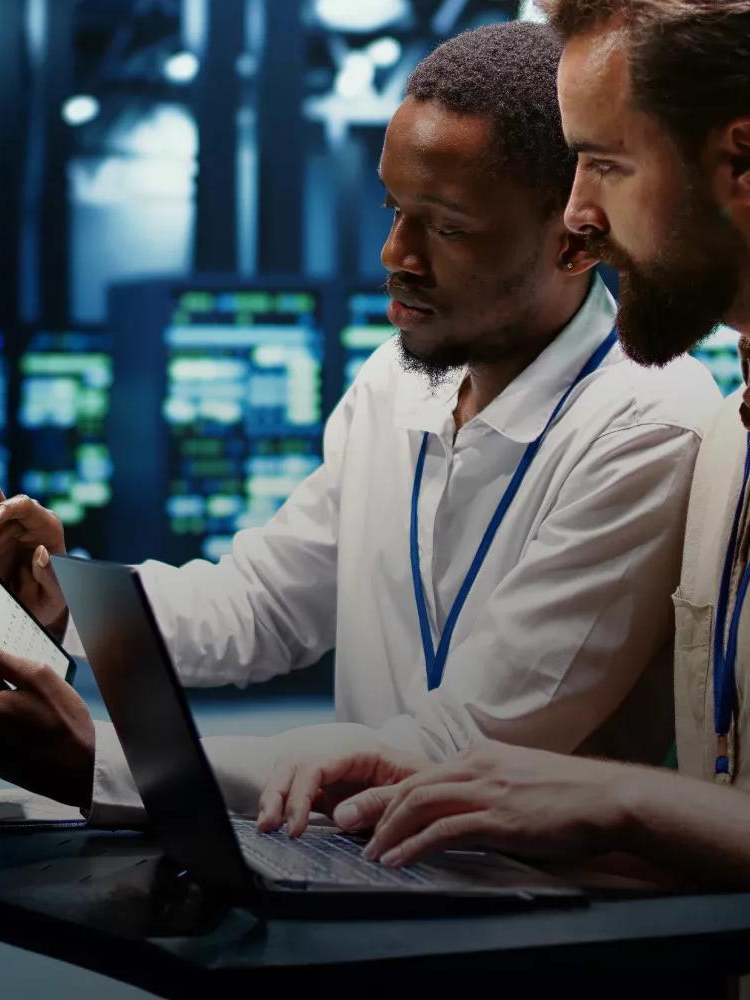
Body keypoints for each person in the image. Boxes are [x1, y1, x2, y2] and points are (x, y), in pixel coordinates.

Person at [0, 21, 719, 827]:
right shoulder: (394, 384)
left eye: (445, 226)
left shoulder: (646, 429)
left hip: (529, 919)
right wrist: (61, 594)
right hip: (359, 874)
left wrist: (104, 762)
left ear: (575, 242)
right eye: (394, 209)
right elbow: (259, 606)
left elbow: (452, 751)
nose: (395, 254)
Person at [296, 0, 750, 887]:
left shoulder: (663, 419)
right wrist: (579, 813)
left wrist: (623, 802)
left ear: (742, 159)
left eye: (606, 165)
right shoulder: (732, 449)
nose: (577, 217)